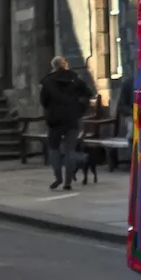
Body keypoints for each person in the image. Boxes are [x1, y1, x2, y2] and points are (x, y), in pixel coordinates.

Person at [39, 56, 96, 191]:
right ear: (65, 65)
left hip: (54, 120)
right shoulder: (74, 79)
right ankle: (68, 182)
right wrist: (79, 108)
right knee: (70, 150)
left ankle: (58, 177)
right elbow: (88, 93)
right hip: (71, 118)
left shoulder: (48, 81)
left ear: (53, 65)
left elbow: (44, 101)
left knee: (53, 149)